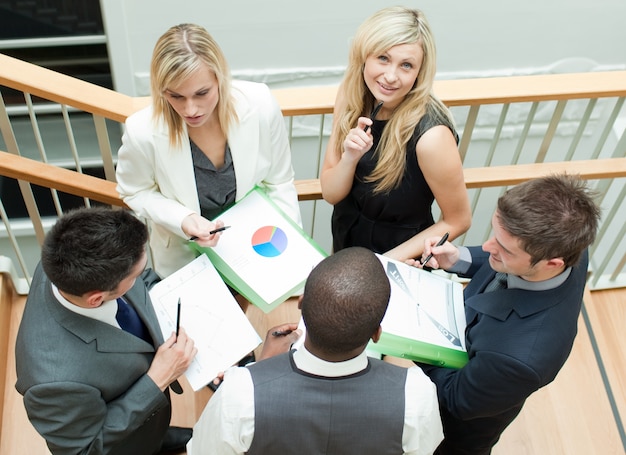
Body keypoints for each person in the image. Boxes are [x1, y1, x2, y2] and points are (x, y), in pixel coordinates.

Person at [411, 174, 601, 454]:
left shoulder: (520, 358)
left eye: (504, 249)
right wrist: (457, 258)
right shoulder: (568, 242)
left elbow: (455, 398)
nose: (488, 247)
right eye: (495, 235)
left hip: (457, 427)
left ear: (552, 263)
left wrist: (413, 332)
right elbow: (505, 262)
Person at [189, 246, 444, 455]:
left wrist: (261, 369)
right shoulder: (416, 394)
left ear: (301, 305)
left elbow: (203, 450)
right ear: (377, 333)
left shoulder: (239, 392)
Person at [116, 23, 301, 278]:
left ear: (220, 77)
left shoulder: (260, 104)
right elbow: (134, 190)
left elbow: (280, 183)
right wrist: (183, 218)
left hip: (257, 247)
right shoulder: (142, 130)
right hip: (185, 258)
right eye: (176, 96)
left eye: (202, 93)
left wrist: (292, 254)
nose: (190, 109)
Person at [15, 207, 197, 454]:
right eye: (136, 275)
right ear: (96, 298)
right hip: (123, 445)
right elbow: (85, 449)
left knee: (154, 434)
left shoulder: (62, 262)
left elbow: (142, 286)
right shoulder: (52, 383)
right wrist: (158, 379)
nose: (143, 277)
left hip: (147, 421)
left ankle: (158, 436)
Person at [320, 6, 471, 261]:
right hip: (347, 238)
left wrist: (381, 264)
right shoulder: (351, 95)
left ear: (419, 73)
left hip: (400, 257)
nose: (390, 77)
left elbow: (459, 219)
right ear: (364, 55)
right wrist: (350, 157)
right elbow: (331, 194)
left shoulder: (432, 137)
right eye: (383, 58)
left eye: (406, 65)